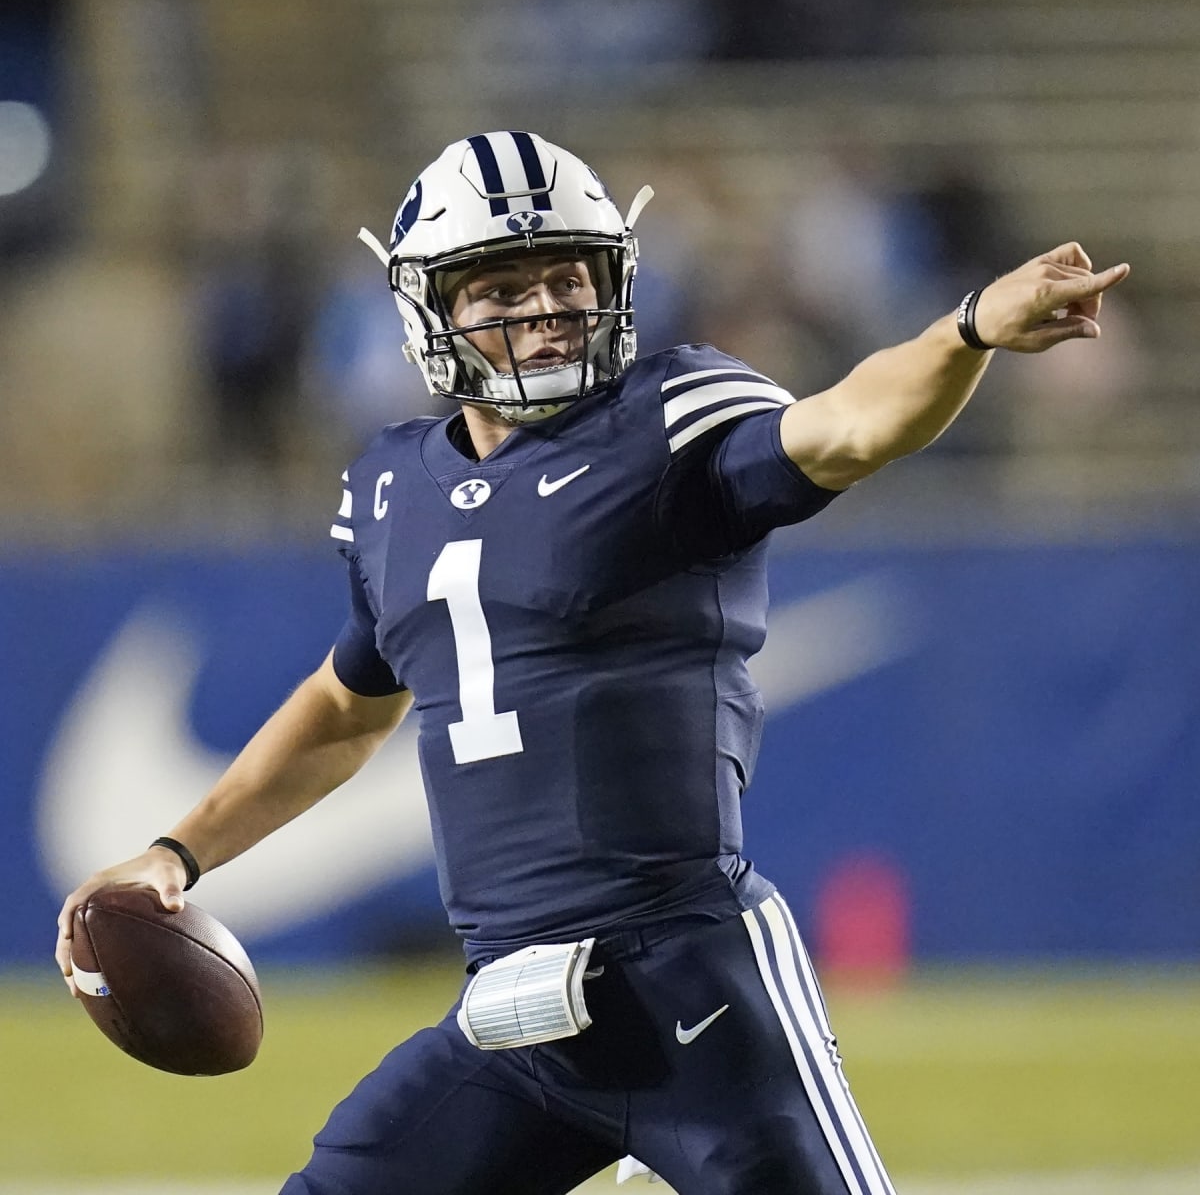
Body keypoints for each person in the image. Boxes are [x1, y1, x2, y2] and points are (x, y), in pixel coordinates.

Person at [55, 131, 1129, 1195]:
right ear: (432, 307)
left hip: (691, 987)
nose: (545, 308)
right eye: (502, 286)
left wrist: (968, 329)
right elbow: (345, 709)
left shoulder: (671, 415)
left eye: (566, 275)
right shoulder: (390, 486)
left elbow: (847, 427)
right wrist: (175, 853)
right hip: (510, 1014)